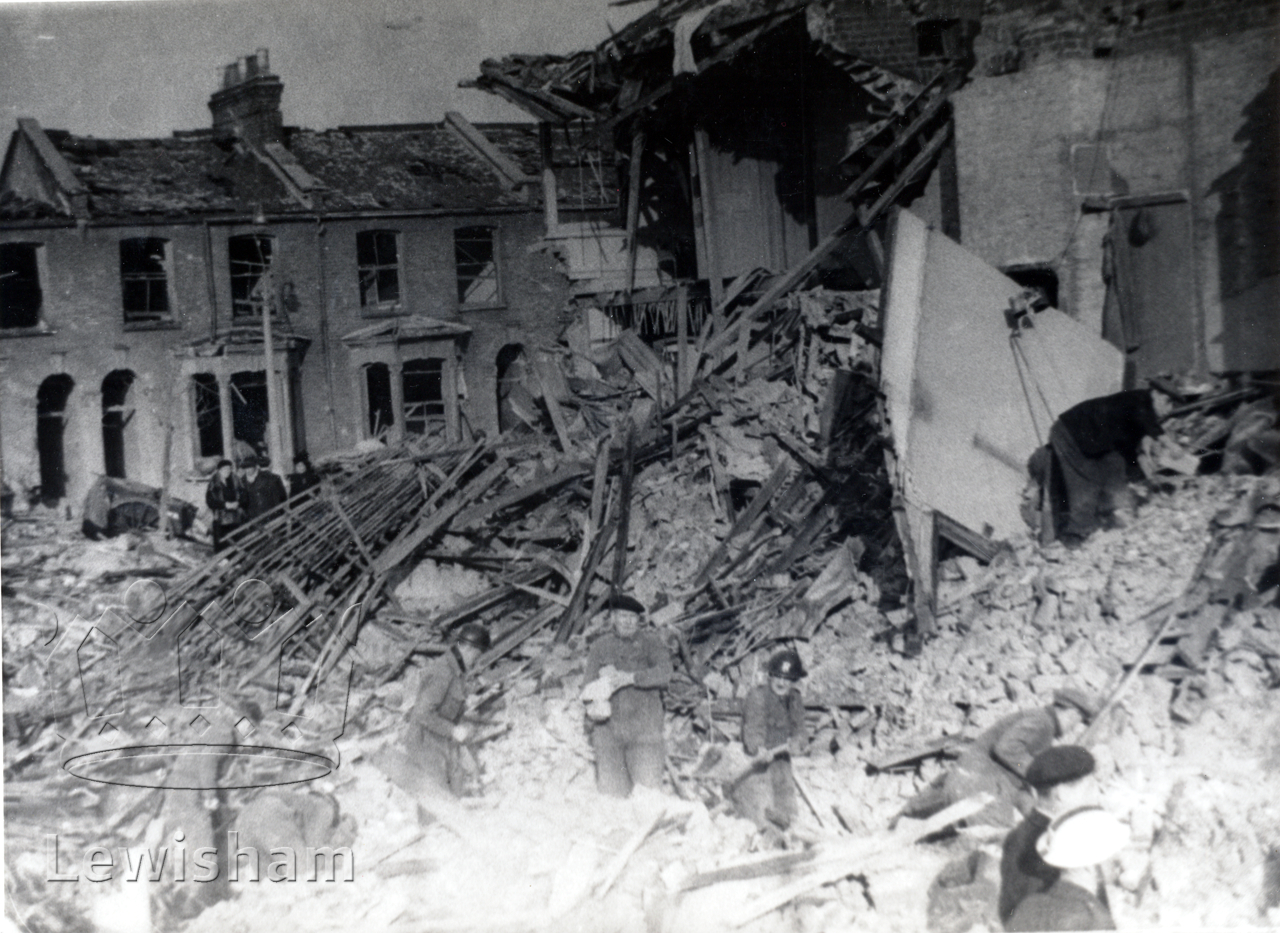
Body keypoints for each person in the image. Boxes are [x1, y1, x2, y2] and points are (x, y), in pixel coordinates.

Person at [893, 687, 1096, 828]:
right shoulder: (1042, 722)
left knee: (916, 820)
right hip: (977, 785)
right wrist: (1035, 771)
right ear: (1069, 712)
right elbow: (1007, 749)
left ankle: (899, 824)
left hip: (971, 780)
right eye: (1078, 720)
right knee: (995, 841)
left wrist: (1036, 815)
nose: (1074, 726)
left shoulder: (1043, 725)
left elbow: (1018, 784)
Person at [1044, 388, 1171, 544]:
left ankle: (1109, 516)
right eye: (1167, 401)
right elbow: (1146, 418)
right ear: (1155, 394)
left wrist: (1147, 471)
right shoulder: (1138, 399)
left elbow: (1129, 450)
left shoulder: (1139, 413)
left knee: (1113, 468)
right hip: (1070, 433)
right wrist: (1168, 442)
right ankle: (1078, 534)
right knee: (1083, 482)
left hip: (1091, 440)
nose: (1169, 410)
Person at [583, 594, 673, 797]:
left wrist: (632, 678)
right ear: (613, 618)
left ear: (639, 620)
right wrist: (598, 687)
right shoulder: (600, 646)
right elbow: (586, 686)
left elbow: (665, 673)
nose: (628, 622)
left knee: (648, 794)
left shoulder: (651, 643)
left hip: (645, 733)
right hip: (609, 734)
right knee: (612, 798)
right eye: (623, 616)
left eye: (633, 617)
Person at [999, 745, 1099, 926]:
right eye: (1090, 788)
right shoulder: (1056, 846)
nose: (1096, 796)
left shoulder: (1021, 833)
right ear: (1062, 793)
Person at [1005, 805, 1127, 931]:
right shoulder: (1094, 919)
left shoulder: (1028, 906)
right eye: (1113, 857)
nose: (1120, 864)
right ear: (1089, 865)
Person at [405, 622, 490, 800]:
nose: (477, 660)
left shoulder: (455, 670)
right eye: (477, 654)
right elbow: (422, 714)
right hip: (425, 743)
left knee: (458, 785)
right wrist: (453, 730)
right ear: (467, 649)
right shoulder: (443, 672)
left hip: (440, 739)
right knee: (438, 796)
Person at [732, 649, 808, 833]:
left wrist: (798, 742)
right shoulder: (758, 696)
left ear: (794, 681)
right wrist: (758, 748)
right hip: (758, 762)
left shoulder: (795, 698)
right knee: (762, 815)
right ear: (770, 676)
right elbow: (753, 728)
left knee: (788, 813)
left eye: (787, 679)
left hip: (781, 760)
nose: (781, 682)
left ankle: (789, 832)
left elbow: (800, 728)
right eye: (777, 676)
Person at [205, 459, 243, 552]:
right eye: (225, 469)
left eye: (229, 469)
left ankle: (236, 564)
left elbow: (243, 494)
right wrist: (225, 505)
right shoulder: (214, 483)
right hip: (220, 520)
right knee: (222, 545)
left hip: (235, 519)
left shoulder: (235, 480)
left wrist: (238, 503)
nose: (228, 471)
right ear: (219, 470)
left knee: (236, 544)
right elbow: (210, 501)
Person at [238, 454, 288, 523]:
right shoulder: (241, 481)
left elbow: (280, 497)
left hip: (270, 516)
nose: (247, 470)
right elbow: (242, 501)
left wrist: (279, 513)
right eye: (245, 468)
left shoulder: (270, 478)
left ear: (255, 466)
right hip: (253, 519)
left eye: (250, 467)